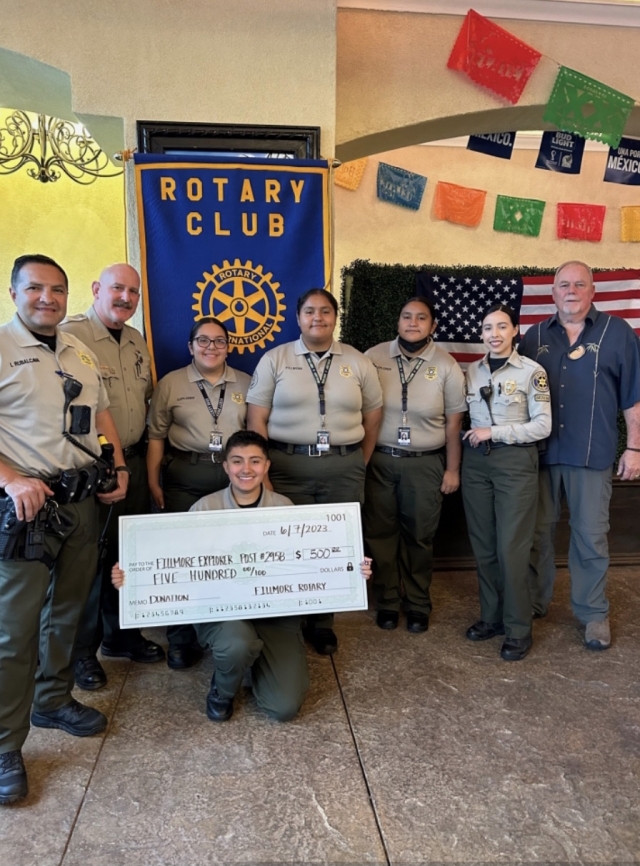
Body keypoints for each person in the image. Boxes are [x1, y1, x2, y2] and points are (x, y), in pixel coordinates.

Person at [111, 430, 373, 722]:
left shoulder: (284, 509)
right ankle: (223, 689)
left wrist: (350, 568)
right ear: (225, 466)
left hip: (276, 614)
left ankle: (256, 654)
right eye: (237, 461)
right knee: (237, 644)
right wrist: (131, 578)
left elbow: (311, 564)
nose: (246, 469)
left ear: (267, 466)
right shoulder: (204, 509)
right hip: (223, 614)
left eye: (255, 461)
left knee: (283, 707)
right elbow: (176, 567)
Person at [0, 254, 128, 806]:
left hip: (80, 503)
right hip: (26, 507)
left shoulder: (77, 350)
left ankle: (52, 700)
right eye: (35, 289)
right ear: (14, 293)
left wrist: (117, 466)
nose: (47, 298)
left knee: (66, 612)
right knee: (13, 630)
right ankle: (6, 744)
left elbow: (99, 416)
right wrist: (9, 479)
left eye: (57, 289)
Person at [246, 288, 383, 655]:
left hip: (344, 466)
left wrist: (357, 461)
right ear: (298, 318)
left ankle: (323, 623)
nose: (317, 318)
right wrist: (262, 472)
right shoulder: (275, 360)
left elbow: (373, 417)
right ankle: (290, 620)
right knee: (290, 544)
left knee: (334, 546)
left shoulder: (357, 362)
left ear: (335, 318)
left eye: (325, 311)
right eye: (309, 311)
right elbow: (256, 418)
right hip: (288, 466)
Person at [519, 261, 640, 650]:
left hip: (593, 454)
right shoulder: (533, 335)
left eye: (579, 285)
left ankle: (593, 614)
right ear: (553, 293)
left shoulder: (618, 333)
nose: (570, 291)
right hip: (539, 455)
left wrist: (635, 447)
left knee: (590, 537)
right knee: (537, 534)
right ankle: (534, 604)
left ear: (592, 291)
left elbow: (633, 398)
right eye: (563, 285)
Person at [60, 263, 164, 691]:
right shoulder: (71, 338)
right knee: (89, 562)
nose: (126, 298)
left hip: (134, 463)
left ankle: (122, 636)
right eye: (118, 288)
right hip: (94, 468)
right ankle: (82, 652)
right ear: (96, 288)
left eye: (133, 292)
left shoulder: (137, 339)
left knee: (129, 555)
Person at [146, 317, 250, 669]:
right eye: (203, 341)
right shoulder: (171, 383)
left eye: (219, 341)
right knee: (184, 556)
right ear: (190, 346)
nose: (211, 348)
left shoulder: (246, 383)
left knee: (229, 552)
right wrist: (153, 481)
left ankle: (226, 626)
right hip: (184, 475)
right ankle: (180, 637)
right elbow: (156, 436)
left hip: (232, 477)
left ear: (229, 346)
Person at [363, 296, 466, 632]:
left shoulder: (447, 366)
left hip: (425, 464)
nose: (412, 323)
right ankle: (388, 601)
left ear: (433, 326)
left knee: (419, 536)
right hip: (381, 459)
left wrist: (452, 469)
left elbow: (454, 423)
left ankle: (418, 602)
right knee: (381, 534)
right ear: (398, 322)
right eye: (406, 316)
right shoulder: (374, 358)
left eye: (421, 318)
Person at [461, 304, 552, 661]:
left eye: (501, 326)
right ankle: (492, 617)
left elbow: (542, 425)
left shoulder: (533, 372)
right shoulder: (472, 371)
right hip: (476, 464)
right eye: (487, 328)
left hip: (515, 462)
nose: (494, 334)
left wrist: (494, 431)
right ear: (481, 334)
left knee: (511, 548)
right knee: (483, 545)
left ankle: (517, 628)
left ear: (515, 330)